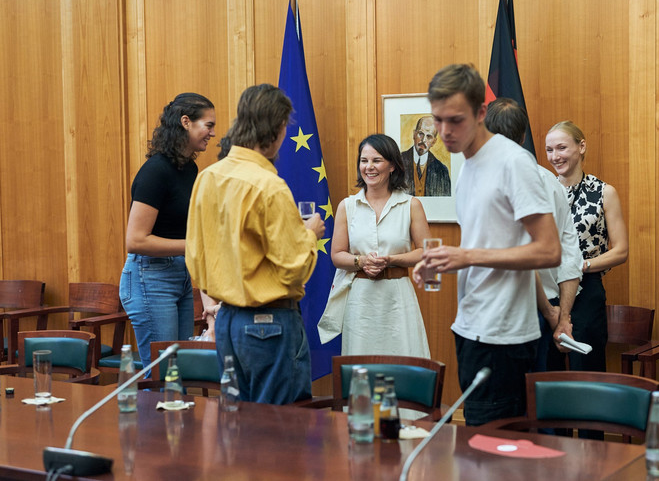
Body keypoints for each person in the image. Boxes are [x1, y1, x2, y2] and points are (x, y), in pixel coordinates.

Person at [412, 64, 561, 426]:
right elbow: (489, 242)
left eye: (456, 120)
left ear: (481, 113)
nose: (444, 132)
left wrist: (466, 256)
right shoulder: (466, 166)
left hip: (504, 334)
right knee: (477, 447)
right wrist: (444, 261)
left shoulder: (513, 162)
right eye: (437, 120)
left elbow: (548, 250)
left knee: (496, 451)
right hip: (470, 323)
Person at [185, 84, 325, 405]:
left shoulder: (208, 177)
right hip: (271, 324)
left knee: (238, 428)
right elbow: (294, 270)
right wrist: (310, 235)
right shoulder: (269, 186)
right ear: (276, 130)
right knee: (278, 431)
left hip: (227, 322)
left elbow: (195, 257)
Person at [120, 92, 216, 373]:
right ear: (186, 122)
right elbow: (135, 240)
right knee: (163, 375)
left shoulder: (190, 169)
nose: (212, 133)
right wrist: (192, 245)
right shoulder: (156, 171)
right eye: (208, 125)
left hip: (180, 274)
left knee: (180, 370)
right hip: (149, 277)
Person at [484, 98, 583, 368]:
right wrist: (560, 316)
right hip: (534, 309)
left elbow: (555, 254)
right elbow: (568, 254)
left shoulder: (477, 182)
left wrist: (557, 315)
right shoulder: (548, 182)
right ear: (524, 135)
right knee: (540, 402)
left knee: (504, 404)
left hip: (503, 308)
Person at [322, 134, 432, 357]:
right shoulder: (347, 206)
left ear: (392, 165)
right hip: (360, 302)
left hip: (398, 299)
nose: (369, 167)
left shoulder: (410, 205)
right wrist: (360, 261)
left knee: (404, 365)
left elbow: (426, 252)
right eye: (364, 161)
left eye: (376, 160)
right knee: (361, 369)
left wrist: (391, 260)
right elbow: (337, 256)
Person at [544, 121, 629, 375]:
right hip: (547, 290)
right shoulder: (542, 189)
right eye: (549, 150)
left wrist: (581, 265)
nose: (555, 156)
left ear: (581, 147)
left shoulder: (604, 192)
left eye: (561, 148)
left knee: (587, 370)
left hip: (587, 289)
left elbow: (621, 251)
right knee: (547, 369)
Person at [401, 115, 451, 196]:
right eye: (421, 134)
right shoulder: (398, 161)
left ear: (434, 142)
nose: (423, 140)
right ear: (414, 134)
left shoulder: (442, 171)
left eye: (429, 136)